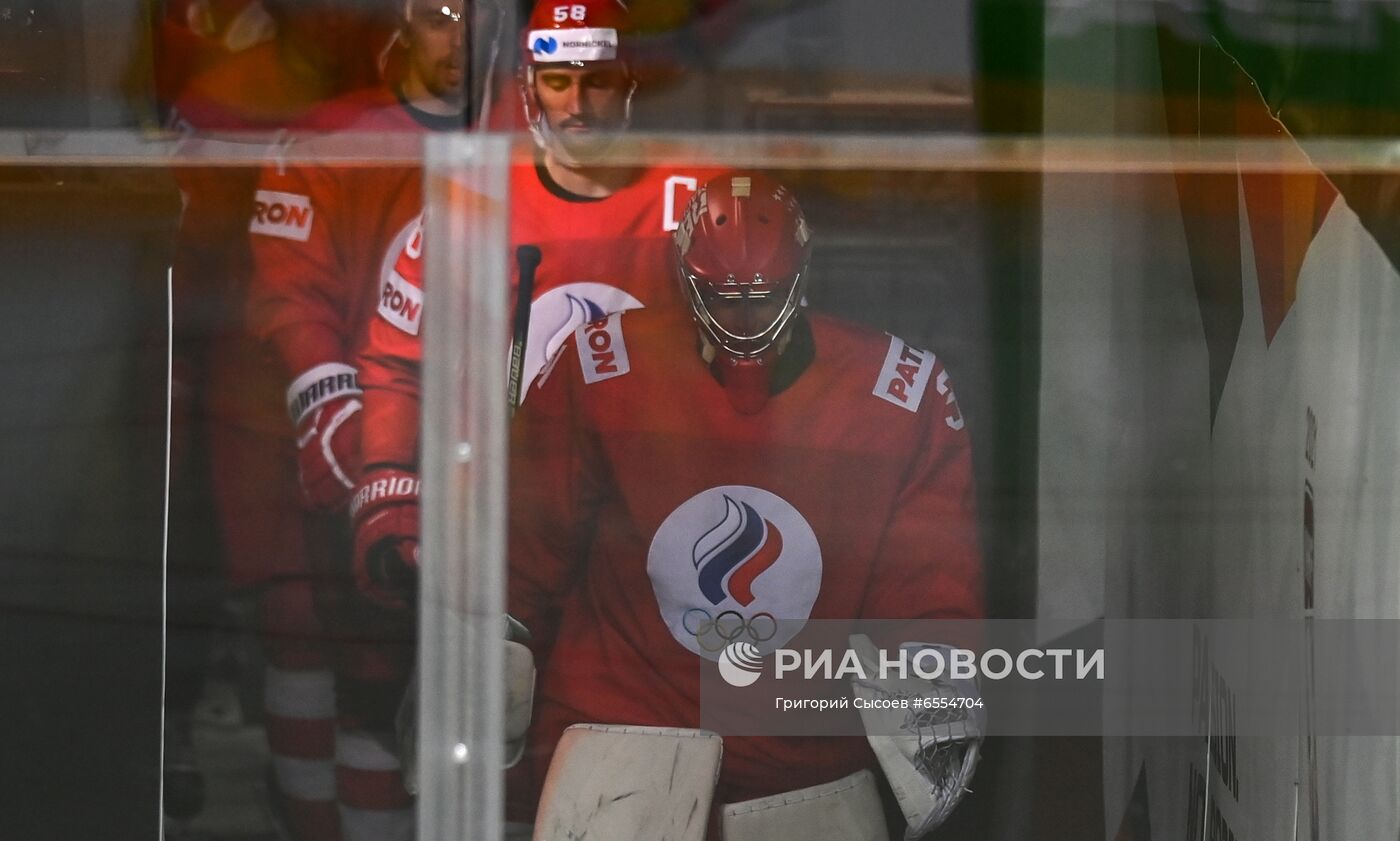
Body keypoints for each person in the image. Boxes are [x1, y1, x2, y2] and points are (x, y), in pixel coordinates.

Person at [505, 173, 984, 833]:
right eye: (721, 294)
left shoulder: (906, 394)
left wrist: (934, 686)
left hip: (805, 774)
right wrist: (491, 648)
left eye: (763, 294)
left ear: (801, 276)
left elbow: (930, 586)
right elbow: (524, 553)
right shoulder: (598, 366)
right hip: (619, 750)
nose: (744, 318)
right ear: (686, 278)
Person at [352, 0, 721, 610]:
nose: (576, 105)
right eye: (558, 82)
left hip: (663, 518)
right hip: (501, 523)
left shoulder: (705, 196)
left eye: (596, 81)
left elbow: (757, 358)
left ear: (629, 80)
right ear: (528, 88)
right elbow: (398, 361)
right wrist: (389, 489)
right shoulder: (470, 201)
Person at [243, 2, 487, 838]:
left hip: (485, 452)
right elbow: (288, 289)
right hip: (366, 436)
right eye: (441, 15)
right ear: (404, 23)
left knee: (479, 685)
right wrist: (331, 398)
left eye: (483, 15)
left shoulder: (530, 139)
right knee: (354, 661)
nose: (461, 37)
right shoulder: (332, 135)